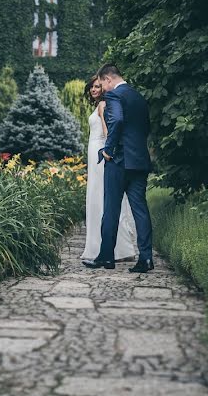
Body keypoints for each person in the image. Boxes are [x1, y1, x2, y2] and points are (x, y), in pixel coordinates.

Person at [83, 64, 154, 273]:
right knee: (140, 209)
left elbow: (118, 120)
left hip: (119, 161)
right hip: (139, 160)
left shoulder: (114, 95)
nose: (102, 89)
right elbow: (146, 126)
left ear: (107, 79)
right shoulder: (138, 96)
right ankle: (146, 258)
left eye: (102, 84)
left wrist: (109, 148)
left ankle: (106, 257)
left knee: (111, 209)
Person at [80, 75, 137, 261]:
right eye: (92, 87)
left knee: (102, 197)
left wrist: (109, 149)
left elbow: (107, 130)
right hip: (93, 151)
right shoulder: (99, 105)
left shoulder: (104, 105)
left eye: (98, 86)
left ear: (104, 87)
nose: (94, 89)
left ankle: (114, 249)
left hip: (100, 152)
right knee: (97, 197)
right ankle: (101, 247)